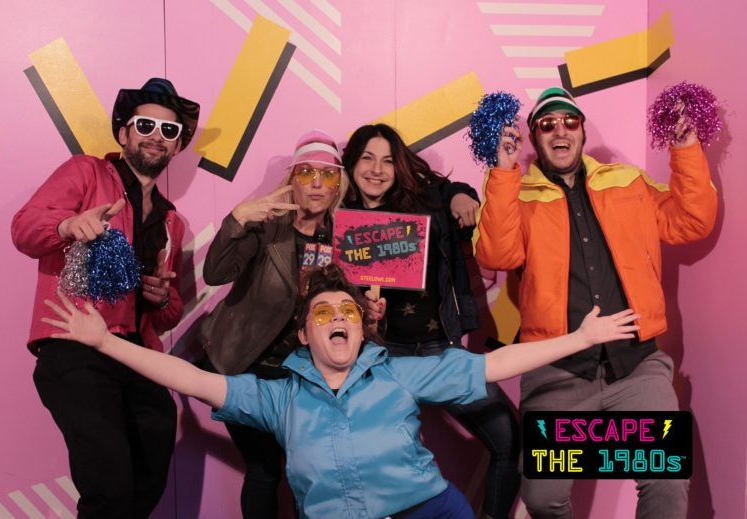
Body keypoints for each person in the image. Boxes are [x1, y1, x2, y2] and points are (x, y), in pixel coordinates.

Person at [42, 263, 640, 519]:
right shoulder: (277, 397)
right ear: (305, 333)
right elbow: (194, 380)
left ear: (361, 327)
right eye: (323, 311)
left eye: (348, 311)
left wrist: (580, 337)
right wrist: (104, 343)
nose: (337, 317)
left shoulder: (400, 373)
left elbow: (495, 364)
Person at [474, 86, 718, 518]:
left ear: (582, 129)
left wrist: (685, 148)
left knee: (666, 476)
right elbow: (496, 254)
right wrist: (504, 172)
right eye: (547, 124)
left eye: (569, 121)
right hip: (557, 371)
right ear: (534, 137)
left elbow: (690, 220)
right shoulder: (519, 196)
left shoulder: (626, 182)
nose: (560, 131)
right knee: (541, 498)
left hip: (635, 364)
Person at [11, 77, 200, 518]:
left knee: (149, 471)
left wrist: (158, 298)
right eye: (145, 124)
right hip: (75, 345)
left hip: (134, 356)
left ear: (176, 147)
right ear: (124, 133)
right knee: (109, 485)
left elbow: (169, 312)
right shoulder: (86, 172)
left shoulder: (173, 222)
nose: (157, 136)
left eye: (169, 131)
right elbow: (24, 228)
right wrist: (67, 226)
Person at [342, 123, 521, 518]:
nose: (377, 169)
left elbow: (452, 191)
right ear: (351, 164)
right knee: (371, 463)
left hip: (439, 352)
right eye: (367, 158)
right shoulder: (337, 220)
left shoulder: (424, 202)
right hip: (378, 361)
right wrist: (358, 311)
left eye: (388, 160)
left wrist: (461, 195)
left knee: (509, 438)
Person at [198, 130, 350, 518]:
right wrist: (236, 220)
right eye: (305, 173)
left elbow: (344, 307)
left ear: (338, 186)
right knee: (264, 469)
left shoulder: (345, 239)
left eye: (328, 175)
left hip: (305, 377)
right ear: (291, 181)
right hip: (248, 370)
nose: (317, 184)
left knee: (308, 470)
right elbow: (215, 273)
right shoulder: (266, 228)